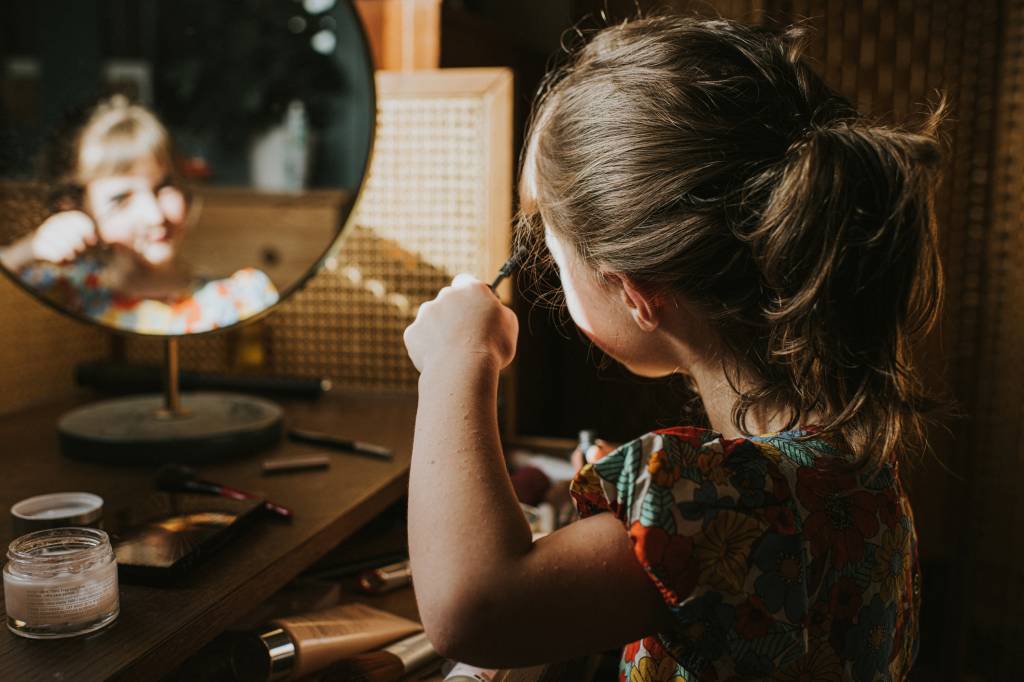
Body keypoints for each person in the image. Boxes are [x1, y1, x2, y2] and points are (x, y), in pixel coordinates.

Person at [402, 14, 944, 681]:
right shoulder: (854, 466)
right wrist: (637, 521)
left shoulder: (712, 502)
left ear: (637, 292)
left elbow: (471, 610)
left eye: (553, 247)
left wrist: (457, 361)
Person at [0, 96, 277, 334]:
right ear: (75, 208)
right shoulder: (62, 291)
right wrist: (27, 250)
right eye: (121, 199)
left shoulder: (239, 300)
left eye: (164, 186)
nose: (154, 215)